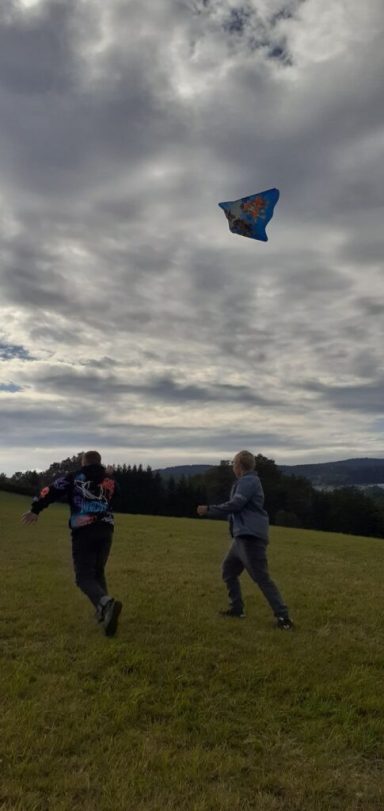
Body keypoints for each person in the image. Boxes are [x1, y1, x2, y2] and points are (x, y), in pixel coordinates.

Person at [21, 451, 122, 637]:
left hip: (84, 531)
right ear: (100, 462)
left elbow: (50, 490)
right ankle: (104, 613)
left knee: (83, 577)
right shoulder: (108, 479)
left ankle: (106, 604)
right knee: (97, 572)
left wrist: (36, 509)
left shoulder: (75, 477)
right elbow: (119, 496)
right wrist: (110, 476)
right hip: (106, 530)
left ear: (83, 462)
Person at [197, 450, 293, 629]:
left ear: (239, 466)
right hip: (241, 538)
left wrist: (209, 509)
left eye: (234, 463)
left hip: (250, 538)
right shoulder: (246, 481)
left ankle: (284, 618)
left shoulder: (248, 481)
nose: (232, 466)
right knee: (228, 570)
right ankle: (237, 609)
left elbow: (236, 504)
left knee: (262, 578)